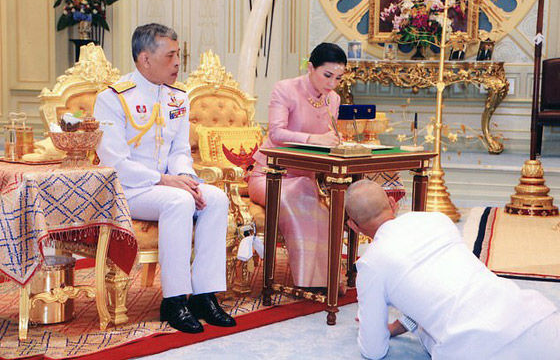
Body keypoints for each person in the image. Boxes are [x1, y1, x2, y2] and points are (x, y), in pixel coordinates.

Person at [94, 23, 236, 334]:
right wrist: (165, 180)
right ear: (145, 58)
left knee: (214, 198)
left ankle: (204, 295)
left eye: (178, 54)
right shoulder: (113, 98)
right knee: (178, 202)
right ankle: (174, 300)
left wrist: (185, 177)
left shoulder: (178, 97)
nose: (177, 63)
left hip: (167, 184)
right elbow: (115, 162)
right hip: (127, 189)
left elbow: (180, 150)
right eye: (170, 56)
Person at [344, 179, 560, 360]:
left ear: (353, 226)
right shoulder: (436, 220)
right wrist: (397, 327)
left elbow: (374, 351)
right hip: (536, 322)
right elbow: (444, 287)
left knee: (429, 335)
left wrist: (378, 329)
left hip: (478, 348)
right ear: (392, 204)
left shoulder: (371, 264)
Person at [248, 42, 346, 289]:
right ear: (311, 67)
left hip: (306, 180)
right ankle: (308, 282)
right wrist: (314, 139)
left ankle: (325, 280)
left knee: (321, 208)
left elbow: (329, 137)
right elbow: (277, 133)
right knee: (301, 197)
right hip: (270, 177)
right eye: (327, 75)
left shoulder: (333, 99)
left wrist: (334, 141)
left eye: (338, 78)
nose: (332, 84)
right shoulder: (285, 89)